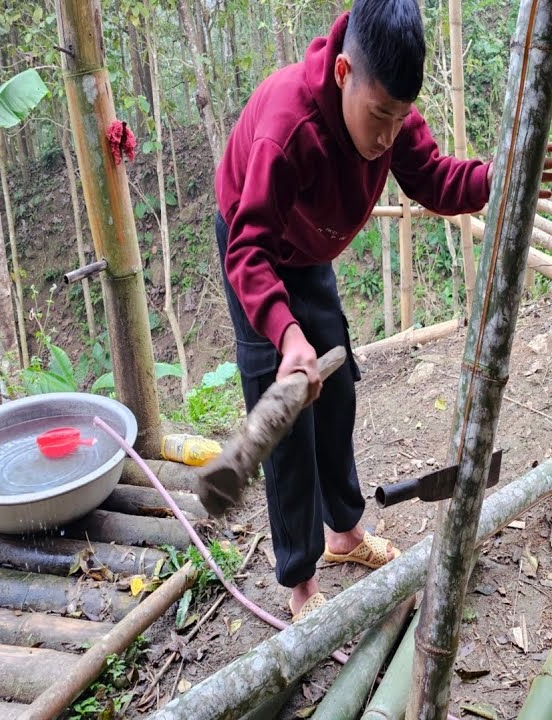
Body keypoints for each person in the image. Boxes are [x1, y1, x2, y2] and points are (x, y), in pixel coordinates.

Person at [215, 0, 549, 621]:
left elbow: (435, 179)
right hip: (256, 247)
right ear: (343, 73)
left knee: (337, 390)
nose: (389, 134)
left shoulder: (388, 111)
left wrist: (499, 177)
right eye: (379, 116)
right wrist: (287, 337)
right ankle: (301, 583)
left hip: (311, 247)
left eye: (400, 116)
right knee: (287, 419)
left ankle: (344, 533)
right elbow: (248, 251)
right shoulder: (286, 130)